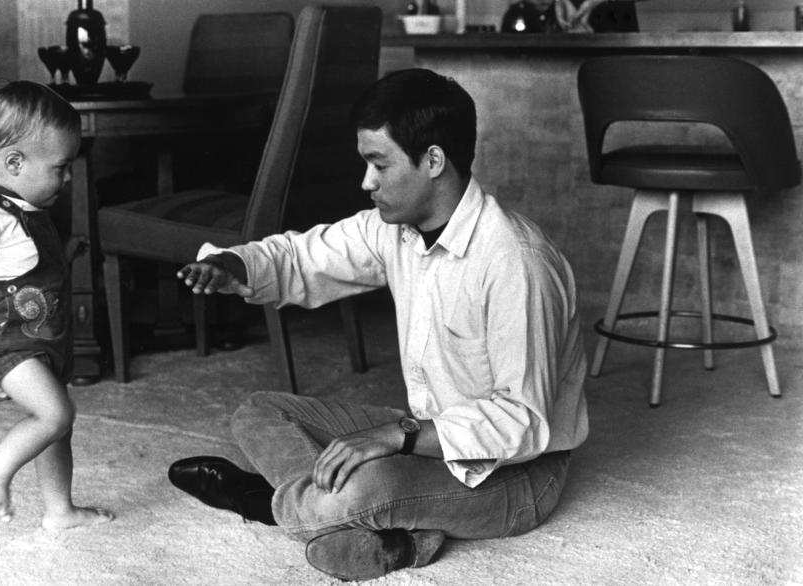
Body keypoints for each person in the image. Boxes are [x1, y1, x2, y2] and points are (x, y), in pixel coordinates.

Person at [168, 68, 588, 581]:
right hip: (431, 435)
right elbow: (304, 256)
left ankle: (260, 500)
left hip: (514, 478)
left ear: (433, 160)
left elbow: (523, 423)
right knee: (258, 412)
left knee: (362, 486)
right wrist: (238, 265)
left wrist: (396, 436)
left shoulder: (515, 263)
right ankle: (389, 531)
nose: (366, 182)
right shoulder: (395, 229)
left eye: (378, 164)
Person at [0, 81, 113, 530]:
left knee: (57, 426)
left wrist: (65, 252)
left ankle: (60, 510)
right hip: (6, 342)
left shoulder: (26, 206)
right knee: (55, 414)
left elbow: (25, 263)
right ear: (15, 163)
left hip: (42, 337)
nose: (68, 177)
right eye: (61, 167)